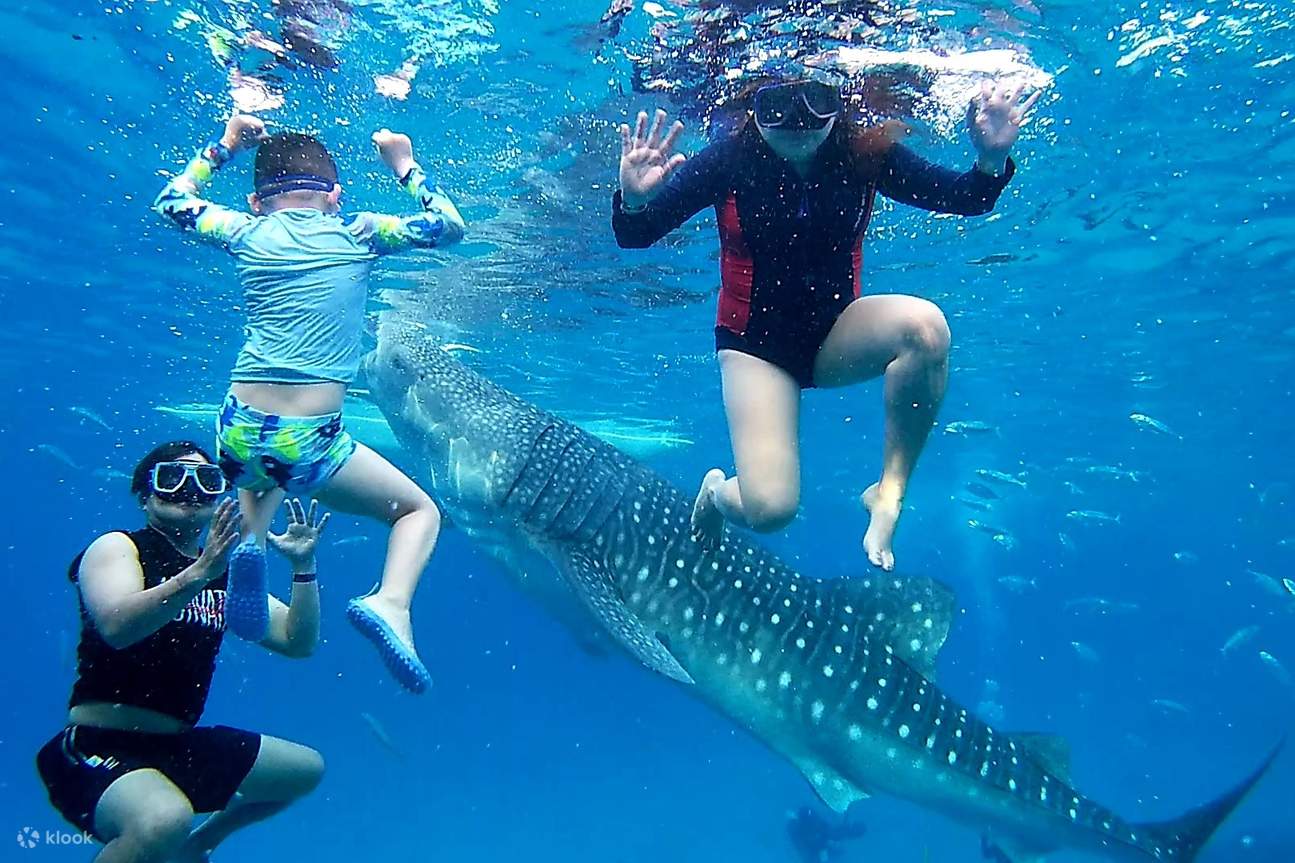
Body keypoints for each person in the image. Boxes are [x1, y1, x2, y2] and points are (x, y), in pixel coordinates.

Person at [611, 77, 1038, 570]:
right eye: (776, 105)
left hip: (838, 335)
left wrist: (989, 161)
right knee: (770, 511)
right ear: (751, 107)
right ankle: (717, 495)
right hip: (755, 348)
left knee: (926, 328)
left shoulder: (866, 153)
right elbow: (636, 234)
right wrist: (635, 198)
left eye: (816, 101)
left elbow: (967, 197)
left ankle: (889, 491)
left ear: (840, 103)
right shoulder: (727, 160)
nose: (797, 122)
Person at [153, 114, 465, 692]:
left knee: (261, 469)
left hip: (235, 430)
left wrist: (222, 145)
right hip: (308, 436)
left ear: (255, 201)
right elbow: (448, 225)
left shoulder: (242, 230)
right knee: (419, 514)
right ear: (336, 197)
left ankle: (250, 543)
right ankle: (392, 602)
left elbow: (171, 200)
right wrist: (403, 163)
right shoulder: (359, 233)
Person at [36, 441, 327, 863]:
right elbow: (118, 626)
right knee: (163, 819)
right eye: (171, 478)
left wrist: (303, 567)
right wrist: (199, 573)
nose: (189, 489)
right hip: (96, 745)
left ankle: (197, 846)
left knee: (302, 770)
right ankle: (169, 835)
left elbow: (296, 642)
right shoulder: (118, 548)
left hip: (174, 747)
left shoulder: (222, 574)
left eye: (206, 480)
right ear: (144, 495)